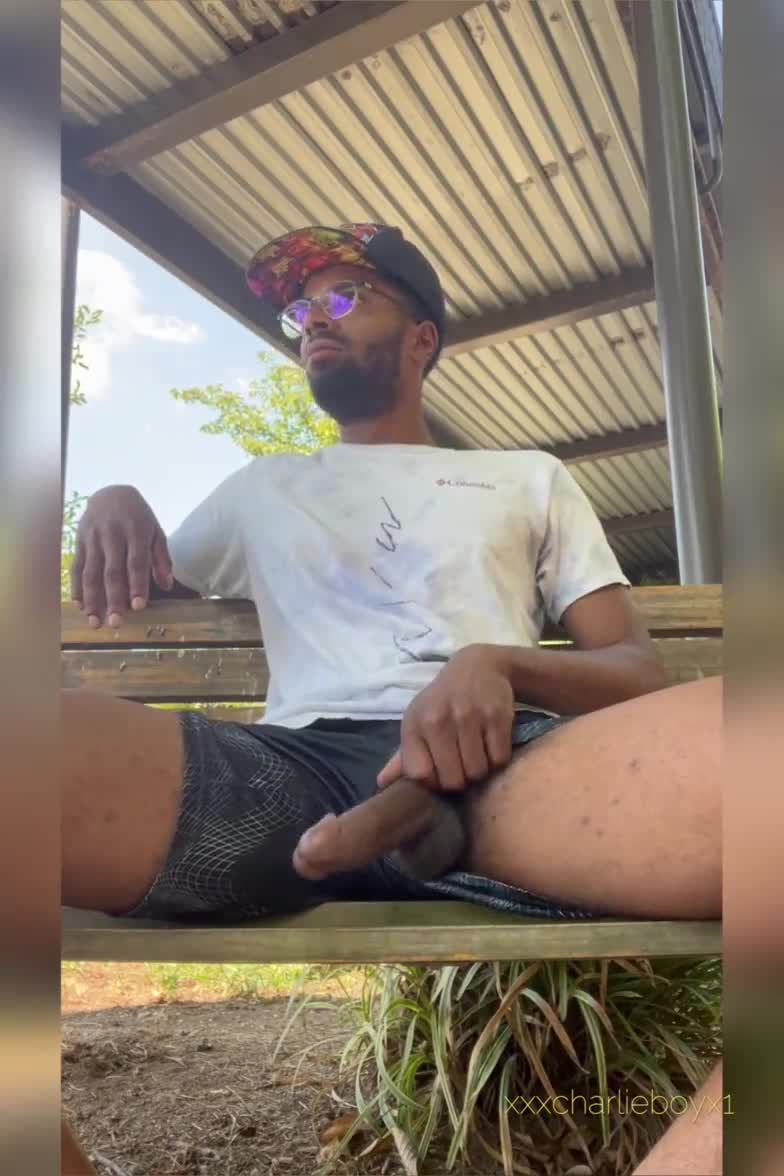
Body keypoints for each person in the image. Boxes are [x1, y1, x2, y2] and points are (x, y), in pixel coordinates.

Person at [64, 223, 722, 1174]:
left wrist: (499, 664)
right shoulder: (262, 487)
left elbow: (633, 670)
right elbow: (150, 575)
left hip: (508, 765)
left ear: (421, 336)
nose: (311, 322)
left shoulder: (526, 477)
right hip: (283, 771)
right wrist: (117, 498)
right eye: (300, 311)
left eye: (342, 297)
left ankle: (427, 801)